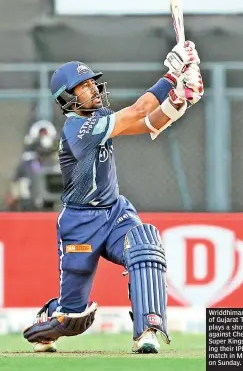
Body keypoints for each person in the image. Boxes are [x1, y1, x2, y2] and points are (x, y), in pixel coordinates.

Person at [23, 41, 204, 354]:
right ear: (67, 98)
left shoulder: (102, 118)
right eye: (83, 86)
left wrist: (183, 99)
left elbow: (151, 122)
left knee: (145, 245)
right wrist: (172, 77)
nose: (93, 88)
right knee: (74, 319)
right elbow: (139, 110)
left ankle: (146, 331)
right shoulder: (77, 129)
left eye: (93, 82)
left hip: (114, 212)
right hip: (80, 224)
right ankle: (49, 320)